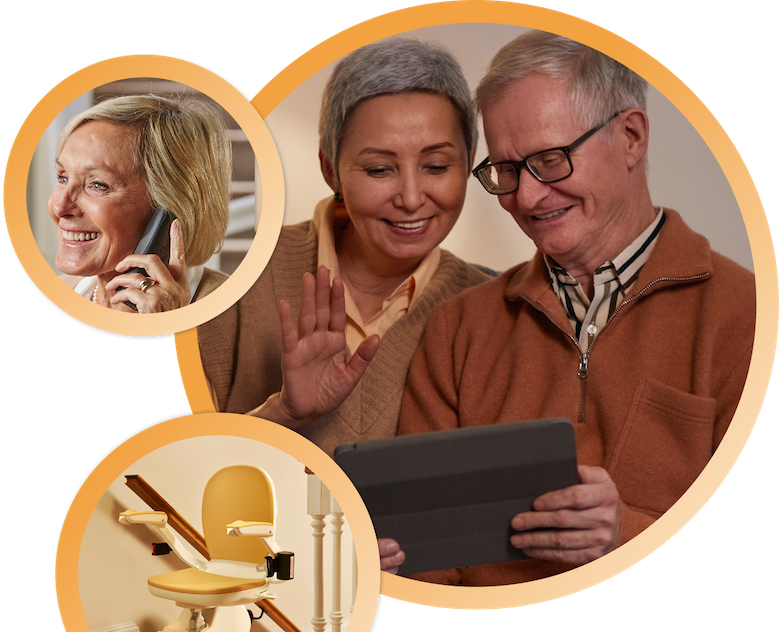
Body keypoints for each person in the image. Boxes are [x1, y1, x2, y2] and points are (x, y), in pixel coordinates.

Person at [393, 30, 756, 585]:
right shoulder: (457, 327)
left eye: (551, 159)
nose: (528, 197)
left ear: (632, 136)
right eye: (508, 171)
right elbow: (424, 555)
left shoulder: (749, 317)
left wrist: (626, 537)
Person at [196, 37, 493, 479]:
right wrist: (284, 414)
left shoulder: (493, 307)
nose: (412, 199)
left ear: (468, 162)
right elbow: (159, 475)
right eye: (379, 169)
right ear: (330, 169)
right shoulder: (232, 277)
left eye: (436, 167)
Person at [49, 93, 232, 312]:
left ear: (168, 210)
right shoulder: (59, 292)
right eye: (63, 178)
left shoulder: (235, 309)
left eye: (97, 185)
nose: (59, 207)